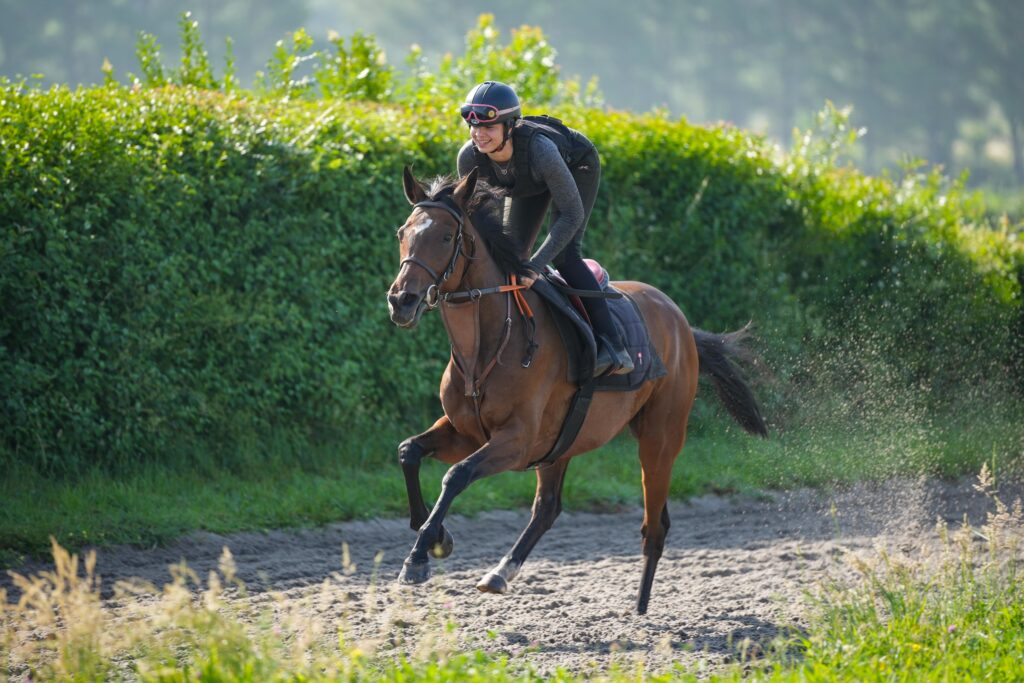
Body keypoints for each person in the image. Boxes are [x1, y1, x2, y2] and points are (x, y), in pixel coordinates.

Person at [456, 80, 634, 376]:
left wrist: (536, 267)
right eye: (473, 126)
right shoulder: (469, 158)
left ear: (510, 126)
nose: (479, 134)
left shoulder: (541, 151)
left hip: (575, 165)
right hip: (530, 181)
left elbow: (572, 215)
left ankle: (613, 344)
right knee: (509, 256)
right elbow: (483, 225)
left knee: (565, 256)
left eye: (488, 127)